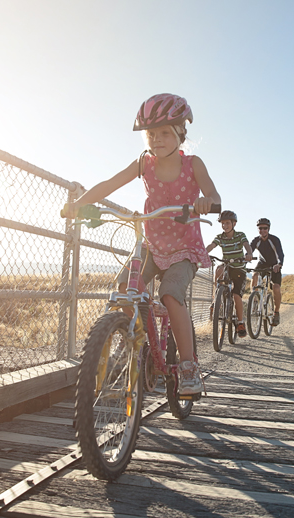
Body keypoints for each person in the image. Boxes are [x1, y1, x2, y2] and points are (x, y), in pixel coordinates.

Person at [60, 93, 220, 395]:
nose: (156, 140)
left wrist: (205, 203)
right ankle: (135, 339)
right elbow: (109, 183)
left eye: (164, 133)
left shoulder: (193, 164)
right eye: (151, 134)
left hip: (183, 249)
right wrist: (79, 203)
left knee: (171, 295)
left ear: (180, 133)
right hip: (151, 244)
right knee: (125, 288)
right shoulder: (143, 164)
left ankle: (188, 366)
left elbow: (215, 196)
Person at [206, 210, 253, 337]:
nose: (224, 226)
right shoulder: (220, 237)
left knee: (236, 295)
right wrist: (203, 253)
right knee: (219, 269)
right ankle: (217, 299)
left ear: (234, 224)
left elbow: (246, 245)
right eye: (222, 223)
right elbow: (212, 245)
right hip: (227, 266)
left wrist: (249, 253)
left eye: (227, 223)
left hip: (239, 268)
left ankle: (240, 323)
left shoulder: (240, 235)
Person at [250, 218, 284, 326]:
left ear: (268, 229)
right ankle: (254, 300)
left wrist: (279, 264)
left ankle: (276, 312)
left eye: (265, 228)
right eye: (260, 228)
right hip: (262, 263)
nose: (262, 230)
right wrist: (246, 257)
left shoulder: (274, 239)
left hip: (275, 265)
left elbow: (280, 253)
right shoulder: (256, 240)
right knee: (255, 275)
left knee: (276, 287)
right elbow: (249, 251)